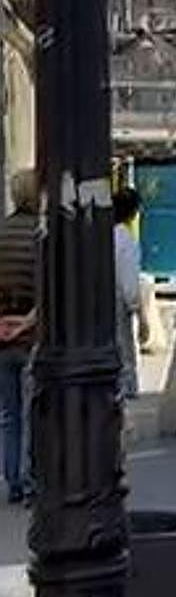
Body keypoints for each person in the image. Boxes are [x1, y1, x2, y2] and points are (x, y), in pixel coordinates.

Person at [0, 170, 39, 503]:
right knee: (31, 412)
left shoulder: (2, 233)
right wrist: (26, 323)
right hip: (30, 335)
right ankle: (29, 481)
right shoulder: (41, 235)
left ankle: (11, 479)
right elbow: (48, 291)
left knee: (8, 414)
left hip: (1, 337)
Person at [112, 188, 142, 401]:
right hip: (117, 303)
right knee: (123, 346)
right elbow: (129, 281)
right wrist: (137, 308)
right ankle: (126, 386)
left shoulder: (99, 234)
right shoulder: (125, 239)